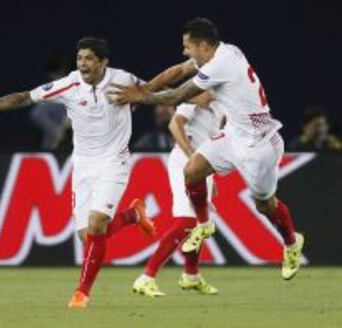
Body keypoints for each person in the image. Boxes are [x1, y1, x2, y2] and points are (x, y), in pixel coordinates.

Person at [0, 37, 156, 309]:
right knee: (89, 237)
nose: (82, 63)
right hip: (83, 165)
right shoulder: (69, 85)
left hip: (114, 162)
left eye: (88, 58)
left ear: (103, 62)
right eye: (79, 58)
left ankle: (81, 293)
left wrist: (188, 95)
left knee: (97, 224)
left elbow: (155, 90)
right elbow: (26, 97)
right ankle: (133, 215)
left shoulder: (122, 79)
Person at [108, 18, 304, 281]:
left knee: (265, 205)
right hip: (234, 132)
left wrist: (140, 97)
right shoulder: (220, 52)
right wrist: (143, 88)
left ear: (203, 46)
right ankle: (204, 223)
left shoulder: (221, 64)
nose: (184, 51)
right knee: (192, 171)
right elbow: (176, 72)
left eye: (187, 46)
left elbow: (177, 96)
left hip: (259, 144)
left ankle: (291, 243)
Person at [133, 98, 224, 297]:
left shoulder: (220, 105)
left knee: (199, 223)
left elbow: (210, 142)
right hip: (186, 162)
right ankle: (146, 278)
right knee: (186, 222)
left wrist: (210, 174)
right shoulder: (196, 95)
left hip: (203, 166)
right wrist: (192, 158)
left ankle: (191, 276)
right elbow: (174, 124)